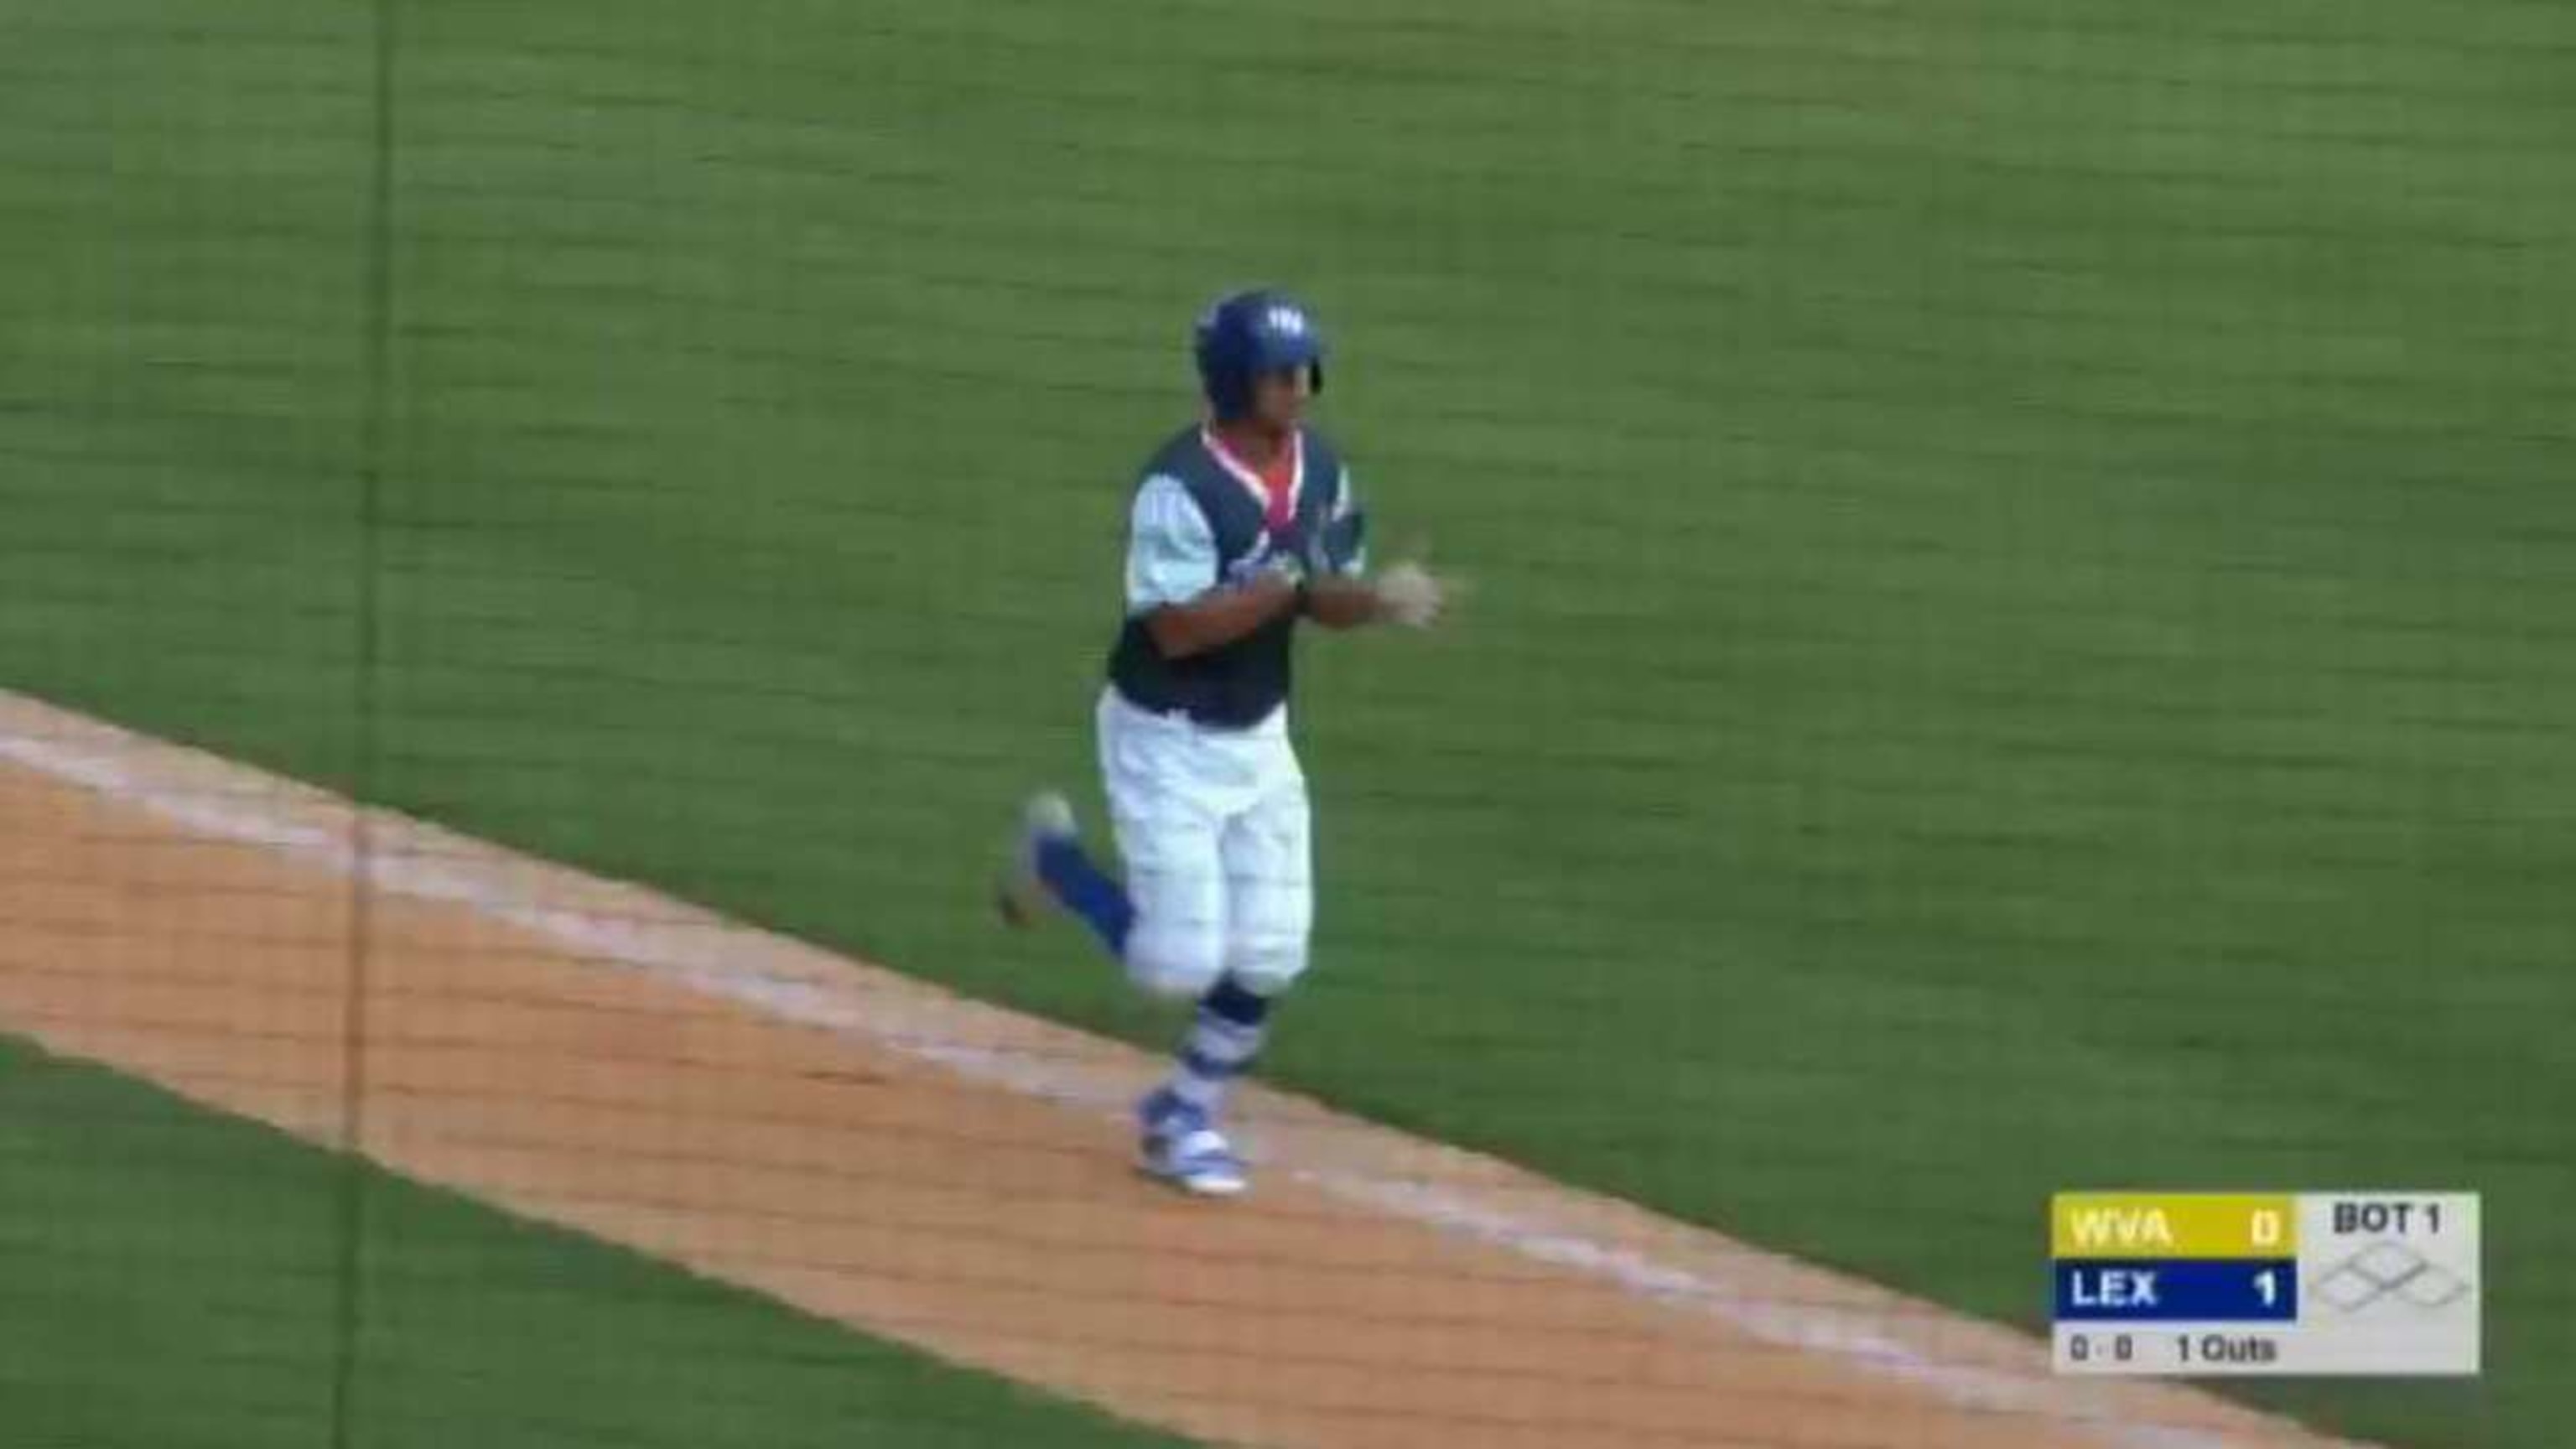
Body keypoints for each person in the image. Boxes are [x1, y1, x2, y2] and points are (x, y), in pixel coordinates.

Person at [999, 288, 1447, 1195]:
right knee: (1177, 965)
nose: (1300, 389)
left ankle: (1181, 1115)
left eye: (1304, 370)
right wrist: (1288, 584)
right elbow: (1175, 628)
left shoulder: (1320, 470)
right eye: (1281, 374)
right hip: (1163, 741)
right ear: (1236, 381)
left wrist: (1380, 601)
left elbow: (1325, 595)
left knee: (1275, 951)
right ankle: (1057, 864)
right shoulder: (1181, 486)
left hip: (1258, 740)